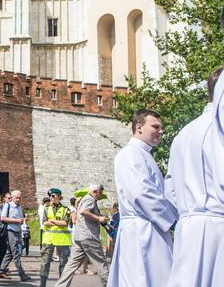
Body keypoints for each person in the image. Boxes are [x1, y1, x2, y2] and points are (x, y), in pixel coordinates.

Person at [166, 68, 224, 287]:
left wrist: (186, 210)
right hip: (218, 225)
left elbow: (170, 188)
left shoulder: (184, 133)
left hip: (188, 226)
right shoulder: (219, 131)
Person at [108, 109, 178, 287]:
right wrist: (171, 220)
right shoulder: (129, 155)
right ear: (139, 127)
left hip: (151, 227)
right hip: (141, 231)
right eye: (155, 126)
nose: (160, 131)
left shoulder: (144, 155)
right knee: (141, 278)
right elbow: (142, 194)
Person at [55, 183, 109, 287]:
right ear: (95, 192)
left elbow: (85, 213)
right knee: (102, 264)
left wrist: (100, 217)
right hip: (89, 236)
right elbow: (83, 211)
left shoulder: (84, 199)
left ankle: (60, 286)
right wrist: (99, 218)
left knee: (71, 265)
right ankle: (109, 284)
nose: (100, 195)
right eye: (100, 193)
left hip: (79, 237)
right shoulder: (90, 199)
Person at [39, 188, 72, 287]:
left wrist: (52, 221)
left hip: (63, 240)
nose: (51, 198)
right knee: (45, 263)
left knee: (63, 264)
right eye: (50, 196)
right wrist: (57, 222)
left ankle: (62, 284)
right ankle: (42, 284)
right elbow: (45, 222)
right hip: (48, 239)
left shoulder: (66, 209)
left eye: (53, 196)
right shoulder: (46, 208)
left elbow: (65, 223)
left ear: (59, 197)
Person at [0, 190, 31, 281]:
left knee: (9, 253)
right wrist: (16, 221)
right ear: (12, 197)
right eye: (17, 197)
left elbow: (20, 218)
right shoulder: (7, 206)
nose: (18, 199)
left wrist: (23, 220)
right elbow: (3, 218)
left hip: (18, 231)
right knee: (16, 253)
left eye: (19, 197)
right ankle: (22, 274)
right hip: (10, 231)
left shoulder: (19, 207)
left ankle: (1, 270)